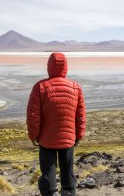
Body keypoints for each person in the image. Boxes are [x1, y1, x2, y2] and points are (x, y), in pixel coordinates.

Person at [26, 52, 86, 196]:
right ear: (65, 67)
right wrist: (78, 136)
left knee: (48, 174)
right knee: (67, 172)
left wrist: (33, 136)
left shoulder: (40, 87)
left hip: (47, 141)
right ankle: (69, 193)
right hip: (68, 140)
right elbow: (81, 115)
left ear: (49, 66)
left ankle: (51, 193)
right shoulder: (75, 87)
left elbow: (33, 115)